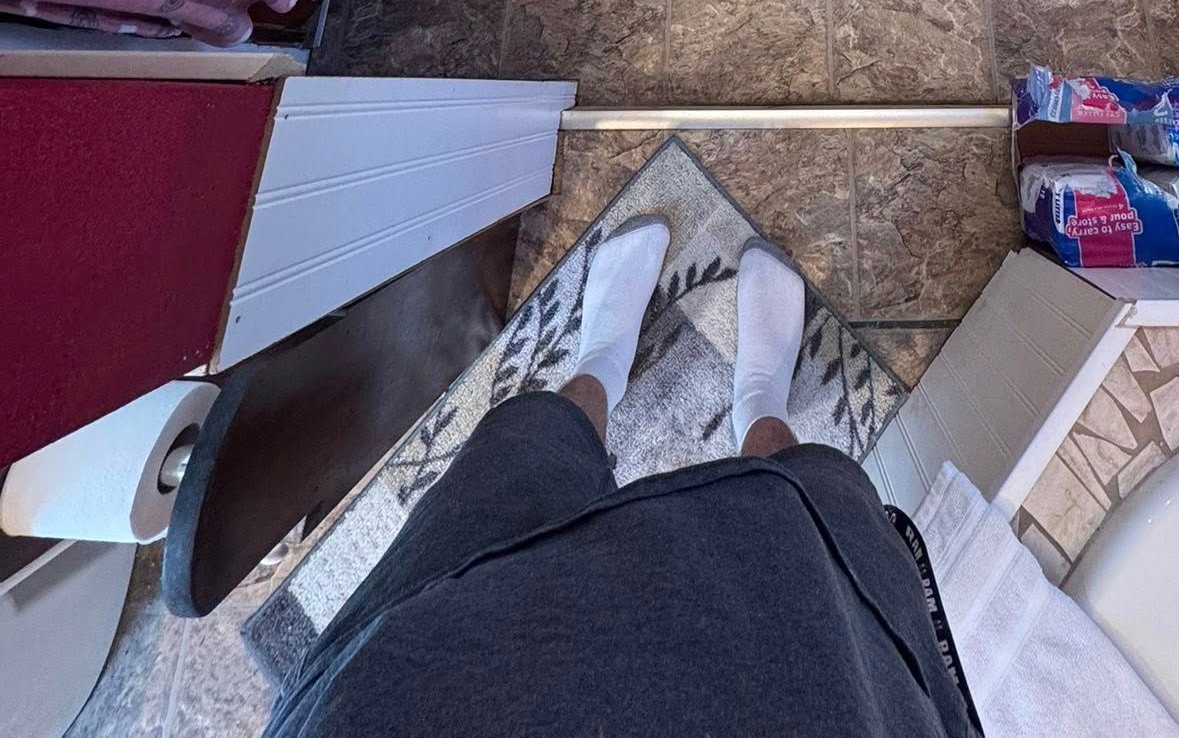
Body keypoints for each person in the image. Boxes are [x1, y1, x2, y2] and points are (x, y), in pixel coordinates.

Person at [264, 215, 978, 737]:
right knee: (795, 534)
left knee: (516, 470)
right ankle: (759, 404)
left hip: (419, 693)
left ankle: (601, 363)